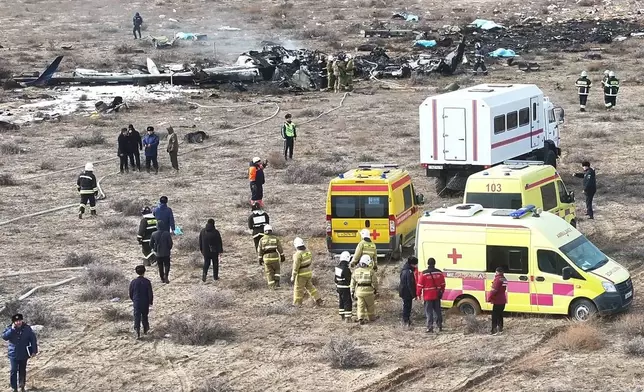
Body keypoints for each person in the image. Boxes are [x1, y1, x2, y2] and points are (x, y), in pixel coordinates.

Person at [2, 313, 38, 392]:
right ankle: (14, 388)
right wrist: (12, 330)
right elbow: (4, 337)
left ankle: (22, 386)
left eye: (20, 320)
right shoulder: (9, 328)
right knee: (13, 370)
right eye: (16, 321)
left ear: (22, 320)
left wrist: (34, 351)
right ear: (13, 322)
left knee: (22, 370)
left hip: (24, 353)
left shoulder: (27, 328)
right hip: (13, 353)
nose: (18, 322)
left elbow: (33, 339)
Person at [416, 257, 446, 333]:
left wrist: (418, 295)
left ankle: (430, 327)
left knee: (429, 312)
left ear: (428, 263)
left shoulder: (424, 274)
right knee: (438, 311)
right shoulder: (439, 273)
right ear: (434, 263)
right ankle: (439, 326)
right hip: (437, 295)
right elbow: (443, 284)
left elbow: (419, 286)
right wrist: (441, 292)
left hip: (428, 296)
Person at [291, 237, 323, 306]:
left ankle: (297, 303)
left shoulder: (298, 254)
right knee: (310, 287)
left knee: (298, 289)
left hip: (301, 274)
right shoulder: (308, 252)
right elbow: (310, 261)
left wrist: (293, 276)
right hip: (308, 272)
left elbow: (295, 266)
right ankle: (318, 299)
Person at [350, 255, 378, 325]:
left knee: (360, 305)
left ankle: (360, 318)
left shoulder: (356, 271)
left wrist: (352, 291)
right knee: (370, 305)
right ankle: (371, 318)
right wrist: (375, 289)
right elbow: (375, 282)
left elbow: (352, 282)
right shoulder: (371, 271)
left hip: (359, 291)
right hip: (369, 291)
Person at [129, 265, 153, 340]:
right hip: (145, 301)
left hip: (137, 301)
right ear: (144, 272)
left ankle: (137, 330)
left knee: (137, 316)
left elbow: (130, 292)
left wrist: (133, 299)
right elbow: (150, 293)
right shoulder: (147, 281)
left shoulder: (133, 282)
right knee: (145, 315)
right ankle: (145, 328)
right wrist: (150, 301)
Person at [257, 224, 284, 289]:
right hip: (275, 256)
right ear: (271, 230)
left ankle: (272, 286)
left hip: (266, 258)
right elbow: (280, 248)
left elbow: (259, 250)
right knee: (277, 270)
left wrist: (260, 258)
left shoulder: (262, 239)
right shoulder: (275, 238)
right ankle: (277, 283)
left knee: (269, 272)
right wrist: (282, 255)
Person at [487, 266, 508, 335]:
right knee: (500, 315)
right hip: (503, 300)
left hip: (497, 300)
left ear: (497, 272)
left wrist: (489, 298)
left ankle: (494, 331)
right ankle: (500, 329)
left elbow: (494, 290)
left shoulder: (497, 279)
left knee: (495, 316)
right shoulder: (504, 279)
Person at [399, 256, 418, 328]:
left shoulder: (404, 270)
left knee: (406, 306)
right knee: (407, 307)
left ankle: (406, 320)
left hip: (404, 291)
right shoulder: (409, 272)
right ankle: (406, 321)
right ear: (411, 264)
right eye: (415, 264)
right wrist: (414, 294)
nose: (416, 266)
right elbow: (410, 284)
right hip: (407, 293)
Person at [335, 251, 353, 322]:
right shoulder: (346, 269)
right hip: (345, 287)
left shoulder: (337, 268)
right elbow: (349, 279)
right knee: (347, 301)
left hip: (339, 287)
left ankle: (342, 315)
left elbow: (335, 279)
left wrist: (337, 286)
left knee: (341, 301)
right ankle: (348, 318)